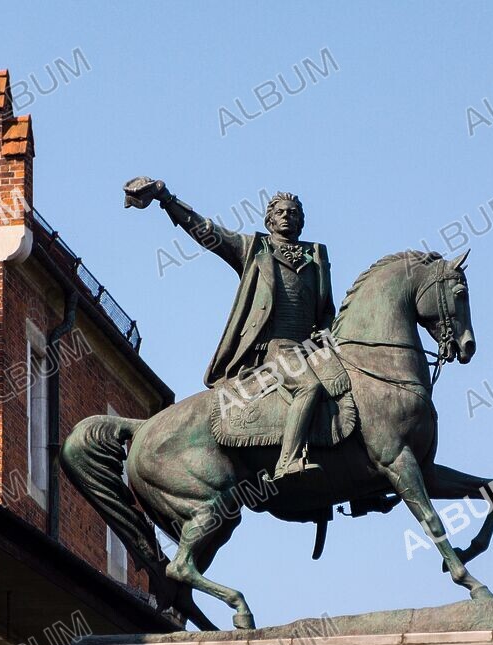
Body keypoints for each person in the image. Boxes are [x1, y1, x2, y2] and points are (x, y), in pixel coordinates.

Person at [125, 177, 336, 481]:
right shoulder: (254, 249)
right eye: (282, 212)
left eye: (294, 212)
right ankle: (287, 461)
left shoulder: (317, 255)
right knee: (310, 387)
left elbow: (326, 309)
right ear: (270, 219)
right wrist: (167, 199)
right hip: (275, 347)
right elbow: (207, 232)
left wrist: (326, 330)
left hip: (313, 349)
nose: (288, 216)